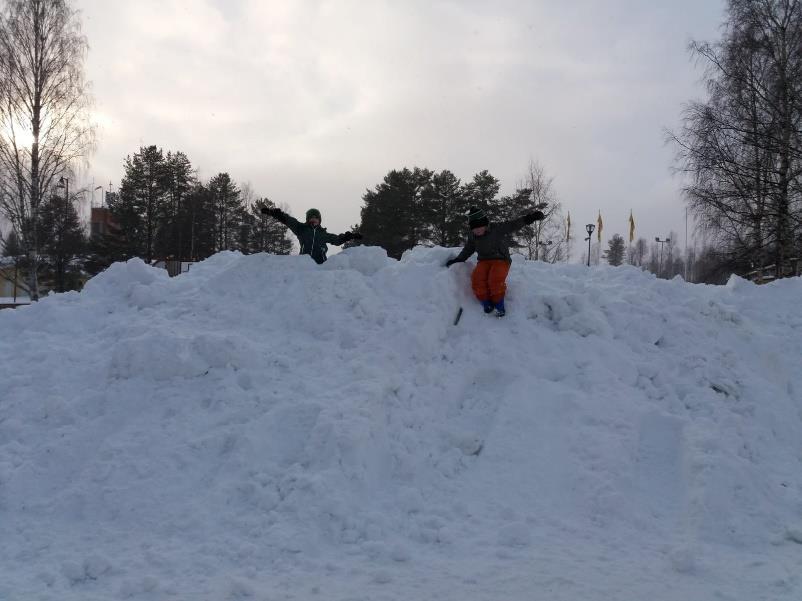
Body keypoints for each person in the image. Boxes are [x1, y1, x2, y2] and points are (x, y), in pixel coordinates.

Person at [445, 206, 545, 317]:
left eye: (479, 227)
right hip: (483, 261)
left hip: (501, 260)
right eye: (474, 228)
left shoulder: (497, 229)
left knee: (494, 279)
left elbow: (513, 224)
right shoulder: (472, 236)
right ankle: (486, 303)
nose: (477, 230)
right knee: (477, 278)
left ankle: (499, 305)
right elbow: (468, 249)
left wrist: (530, 218)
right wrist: (458, 259)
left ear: (485, 224)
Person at [259, 205, 362, 264]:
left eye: (316, 217)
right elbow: (289, 221)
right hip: (304, 266)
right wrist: (276, 214)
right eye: (311, 217)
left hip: (321, 266)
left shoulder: (323, 234)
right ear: (308, 219)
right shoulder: (301, 229)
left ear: (319, 220)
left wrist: (349, 236)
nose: (314, 219)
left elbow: (337, 240)